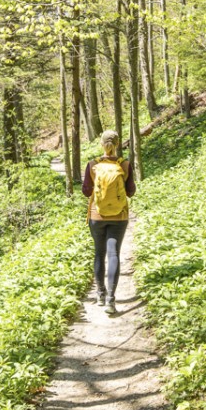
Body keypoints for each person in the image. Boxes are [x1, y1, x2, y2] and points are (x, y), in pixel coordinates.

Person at [81, 129, 135, 314]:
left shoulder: (92, 164)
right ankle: (111, 300)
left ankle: (100, 294)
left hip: (97, 216)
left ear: (101, 144)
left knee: (99, 253)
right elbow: (131, 192)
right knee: (113, 254)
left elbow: (86, 191)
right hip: (119, 216)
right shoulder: (125, 164)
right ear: (117, 144)